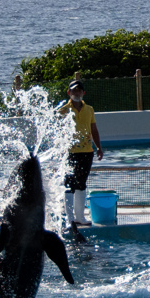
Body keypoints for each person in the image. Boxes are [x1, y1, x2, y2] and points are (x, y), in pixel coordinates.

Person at [58, 80, 103, 228]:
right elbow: (57, 133)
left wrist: (98, 147)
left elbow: (93, 129)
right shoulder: (63, 111)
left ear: (83, 93)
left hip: (86, 151)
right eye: (73, 91)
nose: (76, 93)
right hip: (70, 152)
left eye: (79, 91)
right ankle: (69, 218)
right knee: (69, 183)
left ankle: (80, 217)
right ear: (68, 93)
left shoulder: (89, 109)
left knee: (81, 183)